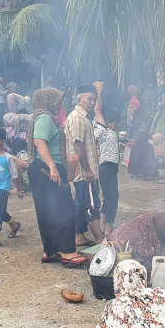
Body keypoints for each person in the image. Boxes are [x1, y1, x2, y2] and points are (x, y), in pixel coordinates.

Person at [27, 87, 85, 265]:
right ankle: (68, 252)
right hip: (47, 168)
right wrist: (53, 166)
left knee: (48, 210)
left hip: (42, 168)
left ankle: (51, 250)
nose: (59, 104)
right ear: (49, 101)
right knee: (63, 209)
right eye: (57, 101)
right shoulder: (44, 117)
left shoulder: (42, 117)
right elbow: (39, 142)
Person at [66, 85, 104, 246]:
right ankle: (100, 239)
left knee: (80, 204)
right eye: (89, 99)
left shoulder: (83, 117)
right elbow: (78, 146)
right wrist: (87, 170)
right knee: (92, 205)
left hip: (82, 171)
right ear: (79, 99)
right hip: (85, 172)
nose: (92, 102)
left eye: (94, 99)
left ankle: (78, 236)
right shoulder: (77, 118)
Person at [0, 127, 26, 249]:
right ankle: (13, 223)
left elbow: (14, 174)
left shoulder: (7, 157)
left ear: (3, 141)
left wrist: (18, 189)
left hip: (3, 187)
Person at [93, 81, 121, 237]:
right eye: (115, 123)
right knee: (112, 197)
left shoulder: (108, 131)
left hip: (110, 168)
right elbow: (98, 109)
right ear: (108, 122)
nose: (116, 126)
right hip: (107, 166)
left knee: (109, 197)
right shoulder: (102, 129)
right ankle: (108, 228)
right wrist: (99, 91)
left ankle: (104, 226)